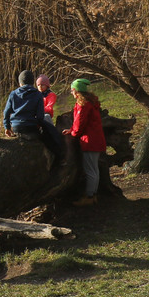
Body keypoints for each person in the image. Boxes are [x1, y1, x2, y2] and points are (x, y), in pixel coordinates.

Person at [62, 78, 106, 206]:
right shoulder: (91, 102)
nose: (71, 92)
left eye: (72, 90)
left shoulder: (83, 105)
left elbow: (79, 123)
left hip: (90, 141)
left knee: (90, 170)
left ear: (76, 91)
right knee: (94, 170)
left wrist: (73, 132)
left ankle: (90, 196)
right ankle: (93, 195)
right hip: (95, 140)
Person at [3, 69, 63, 158]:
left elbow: (6, 112)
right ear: (32, 83)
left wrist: (7, 127)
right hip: (31, 126)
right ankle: (60, 156)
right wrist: (39, 124)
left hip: (16, 127)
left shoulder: (13, 94)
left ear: (20, 83)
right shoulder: (37, 94)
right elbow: (40, 115)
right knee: (52, 133)